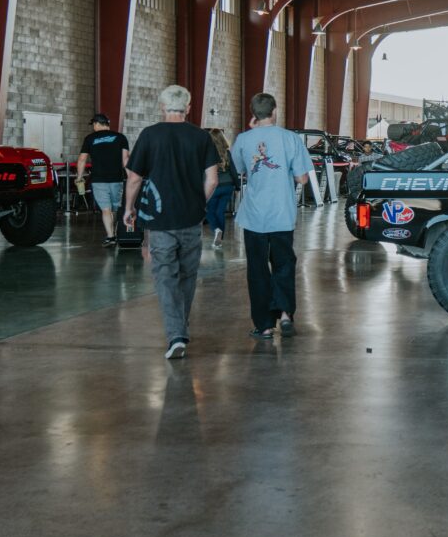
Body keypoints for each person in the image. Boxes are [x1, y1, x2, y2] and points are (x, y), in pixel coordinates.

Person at [123, 85, 220, 359]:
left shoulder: (150, 135)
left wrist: (128, 209)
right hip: (191, 219)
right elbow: (212, 180)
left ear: (161, 107)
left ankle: (176, 334)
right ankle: (180, 327)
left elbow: (134, 178)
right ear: (188, 108)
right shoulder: (201, 137)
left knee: (166, 276)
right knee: (188, 276)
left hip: (159, 221)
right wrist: (198, 203)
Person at [231, 93, 313, 339]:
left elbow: (239, 170)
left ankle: (264, 325)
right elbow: (302, 178)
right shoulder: (290, 139)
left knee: (257, 269)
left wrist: (251, 132)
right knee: (284, 264)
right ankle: (286, 314)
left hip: (254, 215)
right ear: (275, 111)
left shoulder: (243, 139)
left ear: (253, 114)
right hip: (281, 213)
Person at [75, 112, 130, 246]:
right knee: (115, 208)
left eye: (93, 124)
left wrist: (79, 177)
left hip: (99, 179)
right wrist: (131, 178)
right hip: (117, 179)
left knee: (106, 209)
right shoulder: (120, 137)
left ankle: (110, 237)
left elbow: (82, 159)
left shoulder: (90, 138)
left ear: (96, 123)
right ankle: (115, 232)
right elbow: (126, 160)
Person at [205, 129, 236, 249]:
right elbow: (233, 170)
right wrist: (237, 185)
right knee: (220, 212)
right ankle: (219, 240)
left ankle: (217, 230)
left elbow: (205, 172)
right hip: (228, 186)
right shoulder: (227, 153)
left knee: (208, 210)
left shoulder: (208, 152)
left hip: (215, 186)